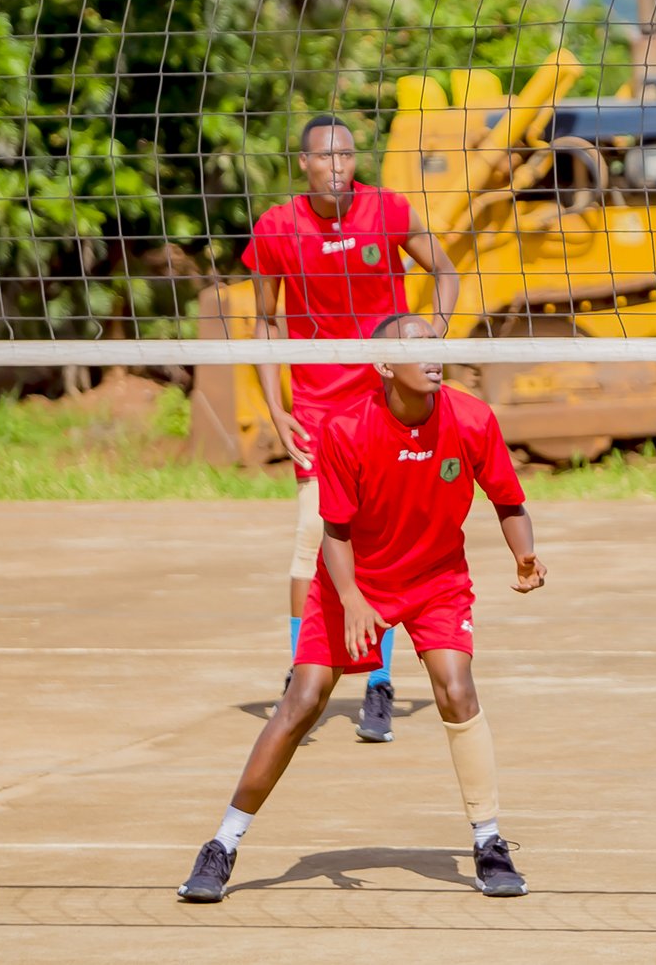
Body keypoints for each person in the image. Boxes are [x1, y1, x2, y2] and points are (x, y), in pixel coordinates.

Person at [178, 314, 544, 903]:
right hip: (354, 578)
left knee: (457, 689)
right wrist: (350, 597)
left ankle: (489, 843)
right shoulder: (346, 428)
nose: (432, 356)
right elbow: (335, 530)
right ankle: (222, 843)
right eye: (415, 347)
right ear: (382, 364)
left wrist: (524, 554)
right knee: (303, 700)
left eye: (436, 344)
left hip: (436, 579)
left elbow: (508, 500)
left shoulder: (472, 418)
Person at [242, 113, 460, 741]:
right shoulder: (276, 228)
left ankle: (378, 683)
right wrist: (274, 405)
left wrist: (431, 336)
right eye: (324, 156)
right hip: (316, 408)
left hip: (383, 401)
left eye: (346, 155)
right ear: (304, 163)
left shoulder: (387, 210)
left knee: (378, 541)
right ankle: (301, 675)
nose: (337, 166)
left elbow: (446, 271)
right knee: (312, 536)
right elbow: (265, 321)